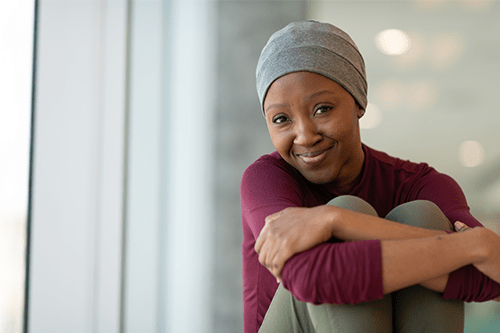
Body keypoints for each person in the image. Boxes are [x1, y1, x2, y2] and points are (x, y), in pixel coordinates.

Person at [240, 20, 500, 333]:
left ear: (359, 101)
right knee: (351, 207)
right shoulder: (266, 179)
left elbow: (493, 278)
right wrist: (473, 247)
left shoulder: (421, 185)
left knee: (420, 214)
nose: (305, 136)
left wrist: (333, 220)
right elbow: (311, 277)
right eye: (281, 119)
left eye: (322, 109)